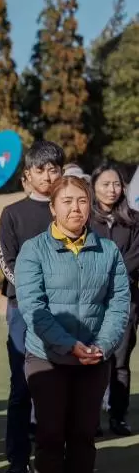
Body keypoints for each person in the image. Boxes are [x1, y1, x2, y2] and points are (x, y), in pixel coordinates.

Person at [15, 175, 129, 473]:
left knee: (83, 433)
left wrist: (102, 345)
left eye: (81, 200)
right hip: (47, 358)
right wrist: (68, 345)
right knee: (50, 432)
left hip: (94, 358)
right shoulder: (34, 249)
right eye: (66, 201)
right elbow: (33, 307)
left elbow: (119, 302)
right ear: (52, 208)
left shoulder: (107, 250)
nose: (75, 208)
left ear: (89, 205)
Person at [0, 140, 65, 473]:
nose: (48, 175)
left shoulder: (71, 211)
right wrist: (32, 290)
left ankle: (58, 459)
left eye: (54, 168)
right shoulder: (13, 213)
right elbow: (5, 261)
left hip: (67, 313)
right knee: (23, 387)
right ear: (28, 174)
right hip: (23, 310)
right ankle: (17, 461)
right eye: (42, 169)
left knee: (60, 386)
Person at [89, 163, 139, 436]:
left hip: (125, 301)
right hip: (91, 303)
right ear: (94, 186)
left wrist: (113, 275)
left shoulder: (133, 220)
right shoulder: (84, 218)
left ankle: (118, 417)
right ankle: (91, 420)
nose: (112, 189)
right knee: (95, 362)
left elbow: (135, 256)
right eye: (106, 184)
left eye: (117, 184)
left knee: (120, 363)